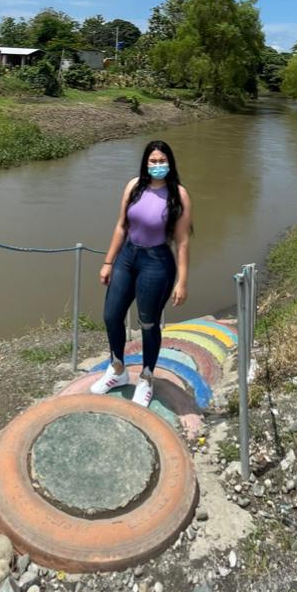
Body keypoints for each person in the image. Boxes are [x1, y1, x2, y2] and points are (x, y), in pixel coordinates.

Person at [90, 139, 192, 408]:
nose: (158, 165)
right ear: (146, 163)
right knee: (112, 315)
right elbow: (121, 226)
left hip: (157, 262)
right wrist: (108, 262)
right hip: (127, 256)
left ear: (170, 163)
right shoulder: (134, 186)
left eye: (162, 161)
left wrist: (182, 281)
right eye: (153, 161)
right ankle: (117, 369)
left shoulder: (178, 195)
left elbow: (182, 242)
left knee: (148, 323)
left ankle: (146, 378)